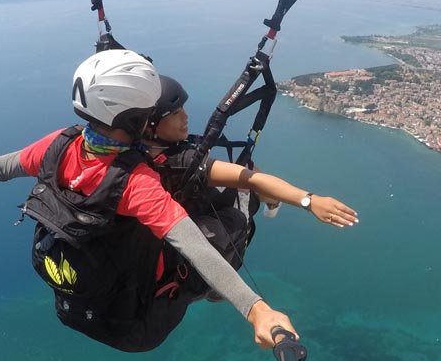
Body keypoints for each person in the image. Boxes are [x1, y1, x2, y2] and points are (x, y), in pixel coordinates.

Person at [0, 49, 297, 353]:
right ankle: (208, 290)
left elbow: (2, 166)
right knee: (232, 219)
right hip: (138, 326)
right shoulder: (134, 183)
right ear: (138, 120)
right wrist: (256, 309)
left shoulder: (61, 145)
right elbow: (194, 247)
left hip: (84, 309)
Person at [143, 74, 358, 274]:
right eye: (175, 113)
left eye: (183, 108)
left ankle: (272, 201)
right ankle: (272, 201)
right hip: (207, 258)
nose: (185, 116)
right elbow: (250, 178)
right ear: (149, 125)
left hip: (176, 234)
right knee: (248, 178)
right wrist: (309, 201)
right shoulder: (182, 162)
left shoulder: (132, 154)